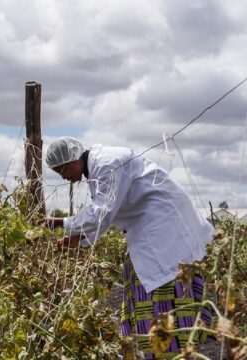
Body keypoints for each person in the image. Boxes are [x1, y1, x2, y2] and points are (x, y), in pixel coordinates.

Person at [41, 137, 214, 359]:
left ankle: (164, 349)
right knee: (141, 280)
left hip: (164, 227)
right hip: (151, 228)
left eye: (62, 170)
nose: (64, 177)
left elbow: (102, 213)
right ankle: (149, 347)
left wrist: (61, 223)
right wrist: (78, 237)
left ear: (73, 159)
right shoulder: (97, 170)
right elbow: (106, 215)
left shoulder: (107, 163)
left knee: (161, 285)